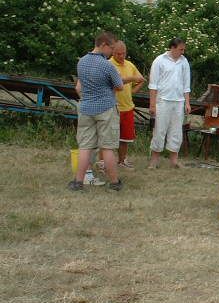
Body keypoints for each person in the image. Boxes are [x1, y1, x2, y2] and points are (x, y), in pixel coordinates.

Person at [68, 31, 124, 191]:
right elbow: (119, 86)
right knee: (107, 147)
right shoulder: (108, 66)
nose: (112, 52)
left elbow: (81, 85)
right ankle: (114, 183)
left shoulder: (81, 62)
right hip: (106, 108)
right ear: (103, 45)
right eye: (111, 48)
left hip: (86, 108)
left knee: (85, 147)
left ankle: (78, 182)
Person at [148, 37, 191, 169]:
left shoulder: (184, 62)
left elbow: (186, 84)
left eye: (184, 49)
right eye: (180, 49)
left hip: (179, 102)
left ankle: (174, 160)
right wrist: (152, 104)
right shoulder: (159, 60)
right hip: (163, 100)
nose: (182, 52)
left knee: (176, 131)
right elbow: (153, 84)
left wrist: (187, 103)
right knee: (160, 130)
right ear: (172, 47)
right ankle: (154, 160)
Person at [109, 41, 145, 169]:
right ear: (113, 52)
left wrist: (131, 91)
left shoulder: (130, 65)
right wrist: (130, 80)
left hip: (128, 107)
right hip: (113, 107)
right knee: (108, 138)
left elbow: (141, 79)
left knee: (125, 138)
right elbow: (114, 85)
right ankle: (104, 163)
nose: (121, 56)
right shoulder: (109, 65)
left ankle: (122, 161)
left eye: (123, 53)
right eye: (118, 53)